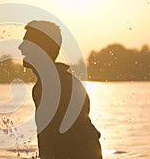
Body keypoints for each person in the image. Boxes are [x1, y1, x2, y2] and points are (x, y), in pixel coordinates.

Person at [19, 20, 102, 159]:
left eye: (27, 42)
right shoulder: (48, 83)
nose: (21, 47)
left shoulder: (56, 85)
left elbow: (65, 142)